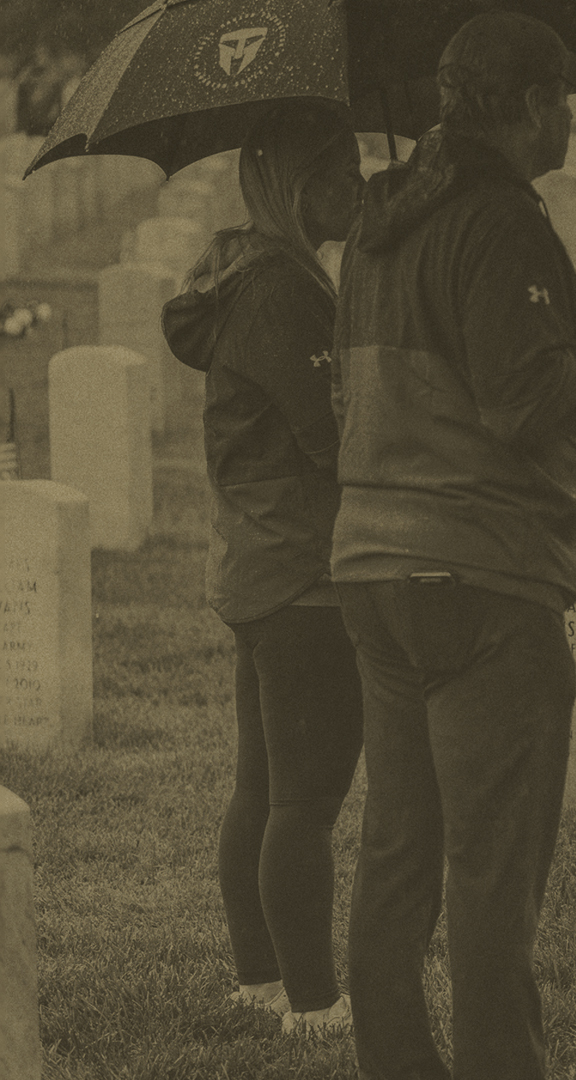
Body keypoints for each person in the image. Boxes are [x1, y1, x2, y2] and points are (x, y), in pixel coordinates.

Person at [329, 11, 576, 1079]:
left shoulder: (380, 226)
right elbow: (524, 405)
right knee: (491, 873)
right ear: (526, 109)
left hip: (374, 570)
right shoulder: (500, 225)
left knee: (398, 854)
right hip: (480, 575)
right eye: (561, 98)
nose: (570, 115)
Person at [159, 101, 367, 1036]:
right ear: (298, 184)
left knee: (265, 786)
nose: (357, 190)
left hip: (256, 559)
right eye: (342, 173)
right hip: (304, 572)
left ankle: (260, 981)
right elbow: (330, 438)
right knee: (304, 799)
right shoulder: (283, 287)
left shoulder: (246, 269)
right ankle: (317, 1007)